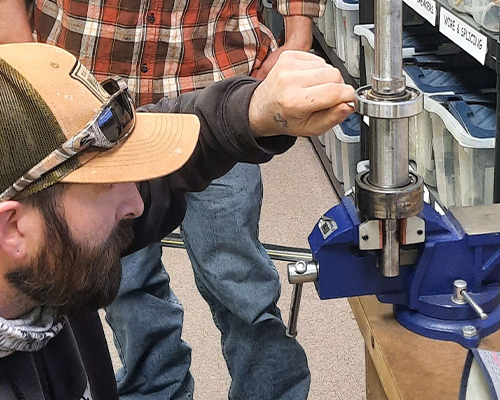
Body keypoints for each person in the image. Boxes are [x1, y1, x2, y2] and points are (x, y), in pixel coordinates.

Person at [0, 0, 325, 398]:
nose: (136, 203)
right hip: (79, 99)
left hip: (203, 76)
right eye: (110, 188)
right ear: (11, 225)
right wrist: (24, 86)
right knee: (119, 283)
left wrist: (291, 44)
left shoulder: (45, 284)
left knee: (237, 280)